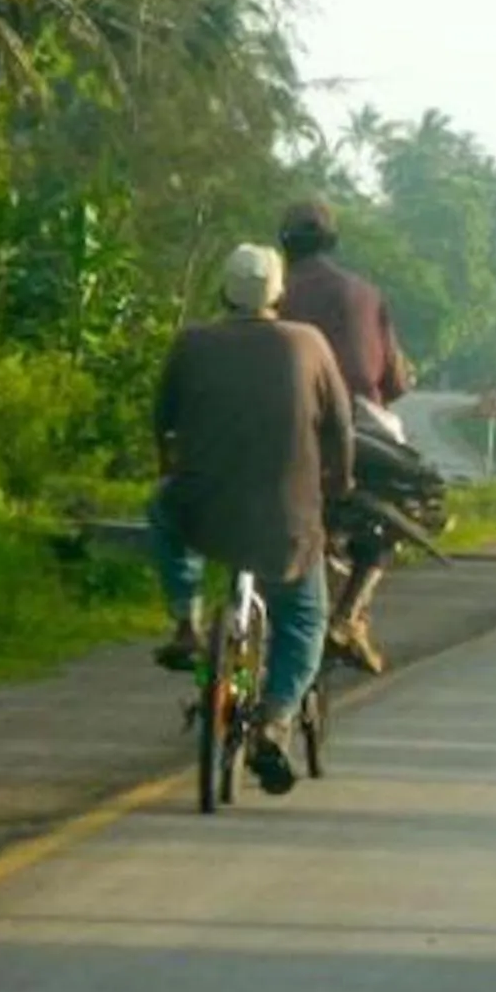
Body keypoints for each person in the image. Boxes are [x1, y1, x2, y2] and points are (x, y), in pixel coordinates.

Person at [148, 243, 354, 795]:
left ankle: (187, 619)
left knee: (160, 508)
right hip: (287, 516)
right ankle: (276, 717)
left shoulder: (192, 342)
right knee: (304, 621)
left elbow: (162, 420)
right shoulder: (308, 343)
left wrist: (171, 470)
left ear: (224, 290)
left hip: (203, 508)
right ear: (278, 294)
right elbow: (340, 428)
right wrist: (339, 485)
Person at [276, 199, 408, 674]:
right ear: (332, 241)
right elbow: (395, 382)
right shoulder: (365, 294)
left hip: (282, 421)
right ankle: (349, 614)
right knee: (393, 510)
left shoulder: (273, 292)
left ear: (285, 244)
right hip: (356, 422)